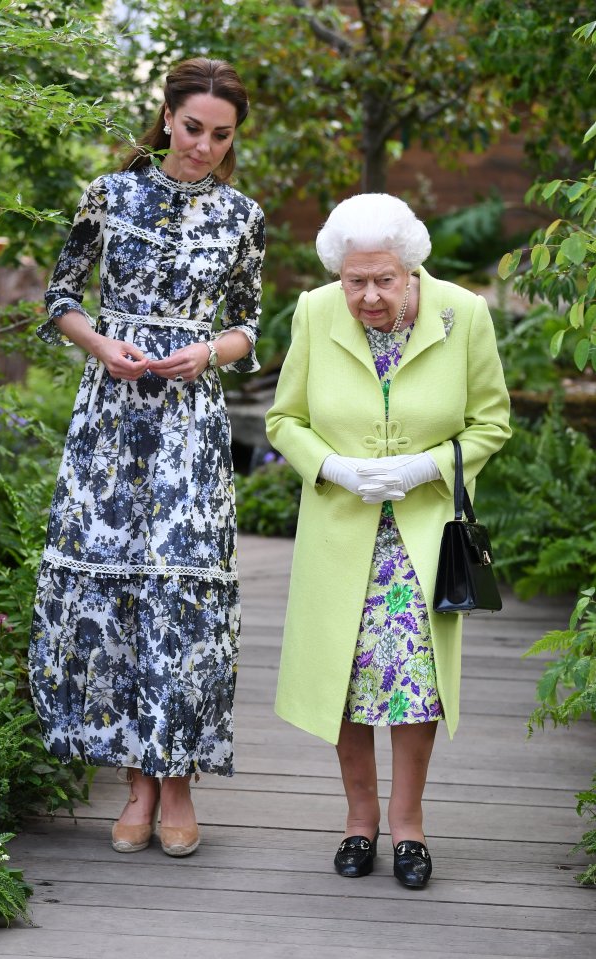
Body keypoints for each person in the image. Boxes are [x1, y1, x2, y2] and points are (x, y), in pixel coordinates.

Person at [29, 58, 265, 858]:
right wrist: (101, 345)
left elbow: (251, 326)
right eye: (192, 127)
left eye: (220, 134)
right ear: (166, 117)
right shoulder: (110, 194)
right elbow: (61, 296)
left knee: (184, 592)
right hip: (111, 416)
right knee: (115, 590)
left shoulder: (242, 216)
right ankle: (134, 780)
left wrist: (208, 352)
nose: (203, 146)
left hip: (189, 422)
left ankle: (179, 780)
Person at [265, 193, 510, 888]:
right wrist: (332, 466)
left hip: (423, 532)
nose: (368, 296)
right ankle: (357, 820)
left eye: (383, 280)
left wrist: (422, 466)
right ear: (335, 274)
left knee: (414, 684)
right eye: (353, 281)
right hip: (341, 530)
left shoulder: (462, 313)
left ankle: (408, 826)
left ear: (410, 269)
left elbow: (490, 422)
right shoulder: (314, 311)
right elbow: (285, 419)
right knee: (342, 678)